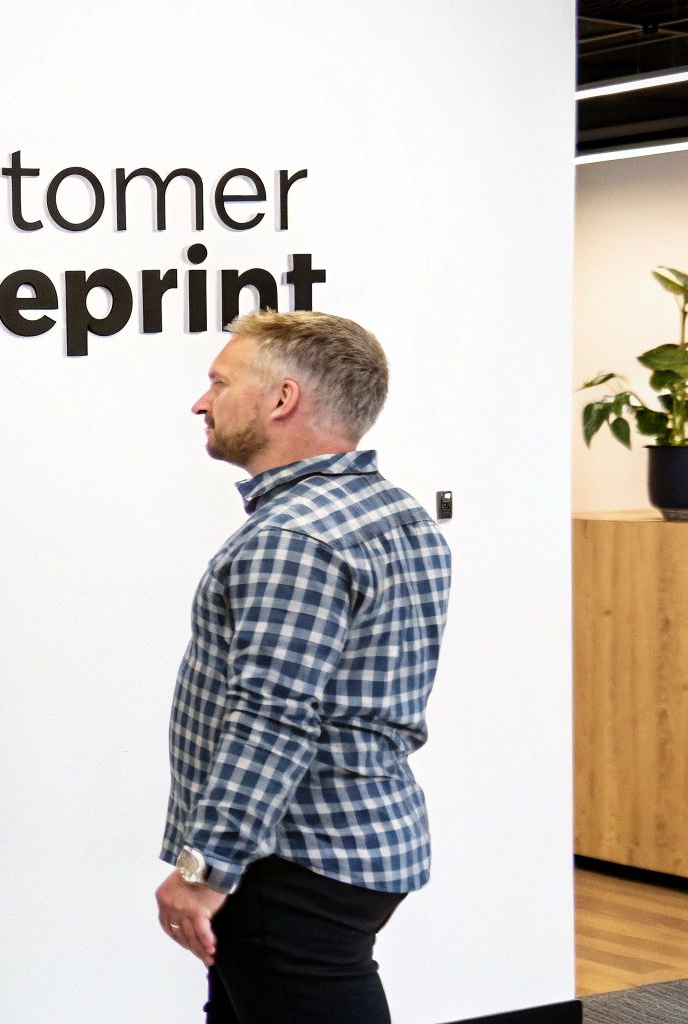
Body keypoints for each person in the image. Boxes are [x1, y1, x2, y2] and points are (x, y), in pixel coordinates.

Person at [154, 311, 453, 1023]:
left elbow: (272, 719)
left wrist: (205, 869)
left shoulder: (292, 538)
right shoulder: (394, 512)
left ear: (282, 400)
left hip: (291, 861)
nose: (201, 402)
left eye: (219, 383)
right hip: (359, 838)